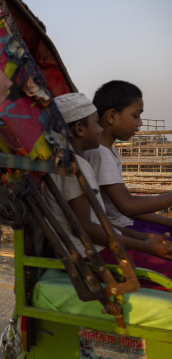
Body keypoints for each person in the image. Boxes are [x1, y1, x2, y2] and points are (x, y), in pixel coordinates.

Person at [43, 93, 172, 286]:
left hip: (98, 248)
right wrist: (143, 245)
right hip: (92, 255)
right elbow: (87, 229)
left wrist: (142, 237)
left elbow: (98, 222)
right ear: (79, 129)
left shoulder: (77, 164)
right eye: (97, 123)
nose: (100, 129)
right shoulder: (72, 168)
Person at [85, 80, 172, 237]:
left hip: (125, 223)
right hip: (117, 230)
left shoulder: (110, 151)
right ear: (111, 116)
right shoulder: (100, 154)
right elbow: (128, 206)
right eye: (135, 116)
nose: (139, 123)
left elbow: (128, 206)